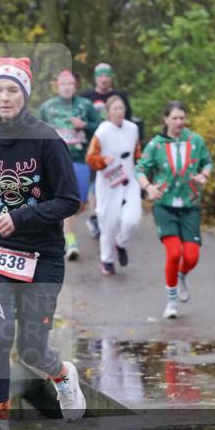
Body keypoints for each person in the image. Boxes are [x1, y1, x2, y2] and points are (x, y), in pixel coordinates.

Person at [0, 56, 86, 430]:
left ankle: (62, 375)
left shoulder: (47, 140)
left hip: (42, 253)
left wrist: (19, 217)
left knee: (32, 348)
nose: (5, 97)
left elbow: (70, 200)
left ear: (25, 95)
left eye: (12, 90)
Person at [136, 102, 213, 319]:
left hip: (190, 204)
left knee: (191, 256)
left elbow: (208, 162)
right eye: (175, 118)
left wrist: (203, 176)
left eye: (182, 118)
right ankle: (171, 302)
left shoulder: (195, 141)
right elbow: (140, 170)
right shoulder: (156, 144)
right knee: (174, 253)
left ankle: (181, 275)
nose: (179, 122)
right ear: (166, 120)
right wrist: (148, 187)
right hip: (164, 205)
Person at [37, 70, 101, 260]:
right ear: (57, 86)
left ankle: (63, 230)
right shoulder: (47, 107)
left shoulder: (85, 105)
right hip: (55, 161)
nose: (66, 87)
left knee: (78, 204)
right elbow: (35, 131)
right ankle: (70, 241)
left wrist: (84, 126)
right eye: (63, 84)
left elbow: (101, 128)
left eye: (70, 84)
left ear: (75, 86)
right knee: (64, 199)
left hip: (80, 159)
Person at [86, 96, 142, 276]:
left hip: (129, 179)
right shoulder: (102, 132)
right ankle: (107, 260)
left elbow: (137, 153)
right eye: (115, 109)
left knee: (132, 219)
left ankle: (121, 243)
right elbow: (90, 158)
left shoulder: (132, 128)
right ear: (108, 112)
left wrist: (144, 171)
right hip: (108, 183)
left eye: (121, 108)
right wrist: (103, 160)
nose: (119, 112)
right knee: (108, 223)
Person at [80, 63, 134, 241]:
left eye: (107, 75)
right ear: (95, 78)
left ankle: (115, 216)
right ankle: (95, 218)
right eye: (100, 76)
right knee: (95, 183)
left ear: (111, 77)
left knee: (118, 180)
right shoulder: (86, 97)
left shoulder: (120, 96)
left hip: (117, 147)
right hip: (94, 146)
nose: (104, 79)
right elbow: (79, 120)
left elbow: (129, 120)